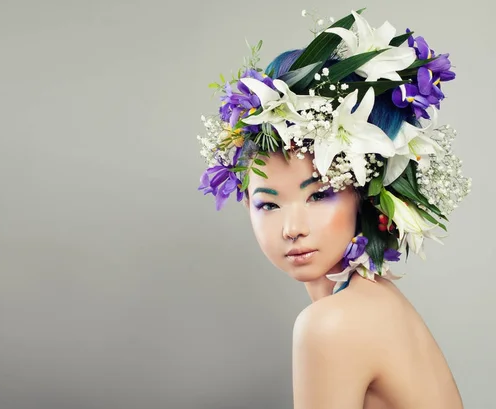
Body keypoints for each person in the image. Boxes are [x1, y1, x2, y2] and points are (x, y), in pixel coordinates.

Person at [196, 9, 471, 409]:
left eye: (319, 195)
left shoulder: (332, 324)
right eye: (268, 203)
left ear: (363, 192)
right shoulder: (375, 299)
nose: (292, 228)